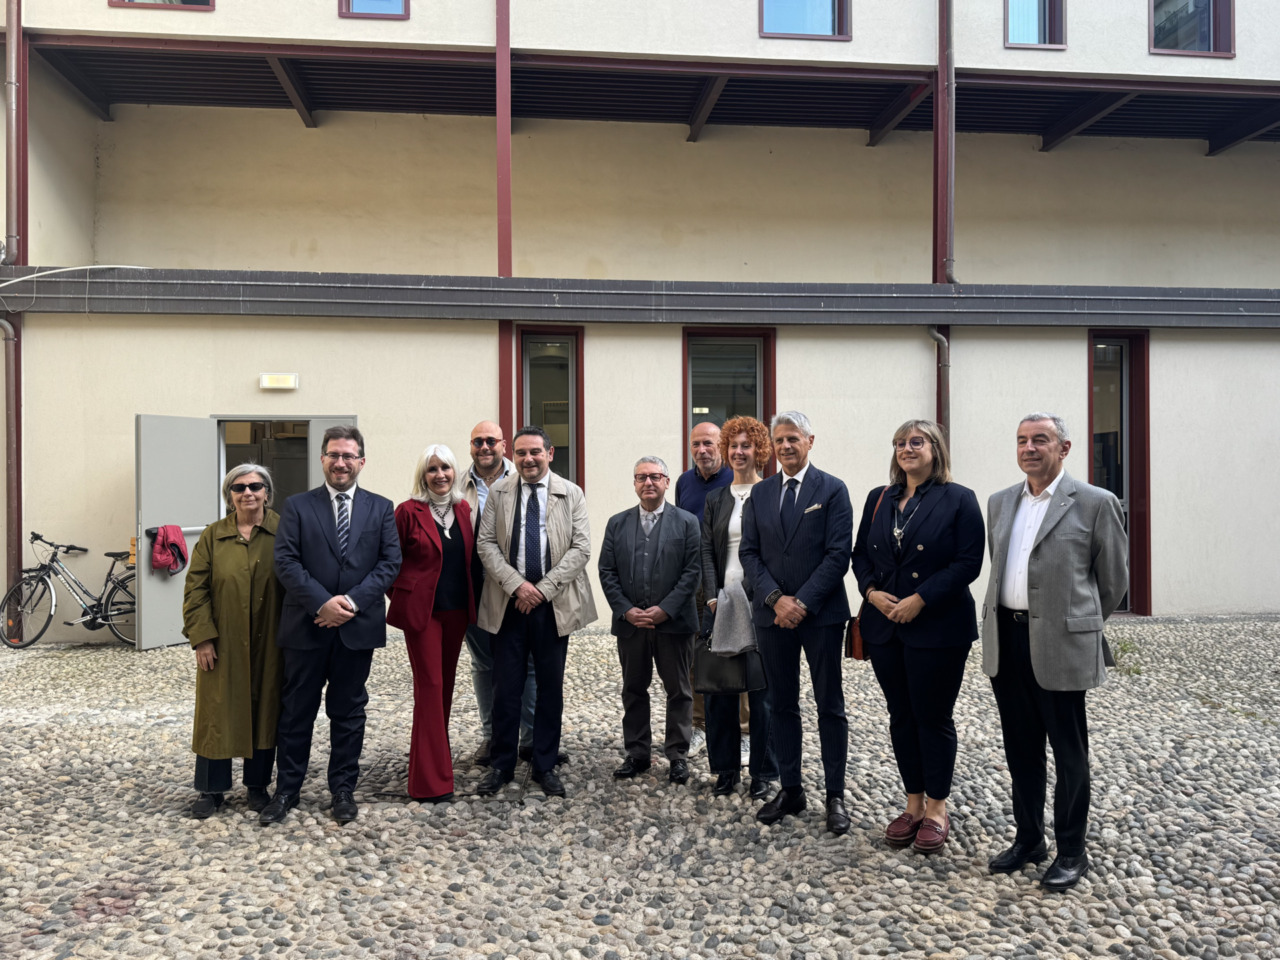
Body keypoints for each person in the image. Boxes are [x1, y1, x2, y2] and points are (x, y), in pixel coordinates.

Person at [982, 412, 1128, 891]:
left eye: (1040, 440)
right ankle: (1029, 839)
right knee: (1020, 749)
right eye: (1022, 440)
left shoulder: (1096, 503)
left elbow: (1113, 582)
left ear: (1063, 448)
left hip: (1061, 645)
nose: (1029, 448)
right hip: (1008, 641)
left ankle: (1071, 850)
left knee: (1069, 753)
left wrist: (1076, 624)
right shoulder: (1000, 502)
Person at [851, 419, 984, 853]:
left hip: (938, 625)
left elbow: (968, 562)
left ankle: (937, 809)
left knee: (933, 716)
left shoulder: (959, 498)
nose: (906, 449)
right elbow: (860, 555)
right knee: (901, 716)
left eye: (916, 442)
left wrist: (921, 598)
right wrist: (871, 592)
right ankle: (913, 803)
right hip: (885, 626)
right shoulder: (879, 498)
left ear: (935, 448)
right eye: (900, 444)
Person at [261, 425, 402, 825]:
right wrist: (322, 603)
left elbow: (389, 563)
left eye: (348, 456)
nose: (341, 463)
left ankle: (342, 789)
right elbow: (286, 561)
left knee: (348, 713)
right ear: (322, 459)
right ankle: (287, 790)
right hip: (306, 627)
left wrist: (350, 602)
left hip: (356, 629)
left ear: (361, 461)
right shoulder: (297, 506)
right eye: (334, 455)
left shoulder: (381, 508)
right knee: (296, 712)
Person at [739, 410, 853, 834]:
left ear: (810, 441)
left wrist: (801, 602)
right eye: (780, 440)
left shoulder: (833, 489)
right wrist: (775, 599)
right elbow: (749, 553)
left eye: (793, 438)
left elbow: (838, 555)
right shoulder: (760, 493)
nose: (786, 446)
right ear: (772, 446)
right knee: (781, 703)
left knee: (829, 705)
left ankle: (835, 795)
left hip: (820, 615)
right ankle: (791, 789)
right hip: (772, 616)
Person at [474, 426, 596, 798]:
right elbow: (486, 544)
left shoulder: (571, 493)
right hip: (508, 604)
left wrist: (541, 590)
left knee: (549, 688)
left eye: (535, 452)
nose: (528, 459)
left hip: (552, 606)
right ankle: (501, 765)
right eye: (522, 453)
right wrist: (517, 586)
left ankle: (544, 764)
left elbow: (581, 548)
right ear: (513, 455)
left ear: (550, 453)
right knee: (505, 688)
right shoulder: (499, 492)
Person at [183, 463, 284, 819]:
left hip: (271, 641)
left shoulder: (284, 531)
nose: (247, 493)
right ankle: (211, 789)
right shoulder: (213, 536)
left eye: (255, 486)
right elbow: (196, 589)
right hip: (222, 642)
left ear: (267, 493)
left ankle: (257, 786)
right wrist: (202, 638)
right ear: (230, 496)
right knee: (216, 710)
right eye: (238, 488)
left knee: (265, 709)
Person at [598, 456, 702, 785]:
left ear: (667, 482)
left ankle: (678, 755)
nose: (648, 482)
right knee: (633, 689)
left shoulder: (687, 522)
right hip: (631, 625)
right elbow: (607, 571)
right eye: (641, 477)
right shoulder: (617, 523)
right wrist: (626, 609)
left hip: (674, 624)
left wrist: (666, 609)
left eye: (655, 476)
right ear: (634, 483)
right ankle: (638, 752)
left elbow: (692, 572)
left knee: (679, 691)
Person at [387, 444, 475, 803]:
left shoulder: (463, 509)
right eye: (432, 469)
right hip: (423, 616)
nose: (440, 475)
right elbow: (389, 562)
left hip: (457, 612)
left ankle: (434, 761)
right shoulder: (407, 512)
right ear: (422, 475)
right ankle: (430, 783)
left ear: (455, 472)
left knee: (444, 688)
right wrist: (406, 597)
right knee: (430, 687)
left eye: (445, 468)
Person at [700, 416, 778, 800]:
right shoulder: (715, 499)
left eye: (747, 445)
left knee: (763, 694)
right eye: (733, 445)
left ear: (759, 450)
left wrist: (763, 594)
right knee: (720, 692)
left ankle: (763, 772)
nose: (739, 452)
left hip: (760, 603)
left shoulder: (771, 494)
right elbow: (705, 550)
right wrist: (712, 596)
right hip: (722, 603)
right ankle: (726, 770)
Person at [457, 420, 538, 767]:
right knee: (484, 664)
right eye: (478, 441)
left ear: (504, 445)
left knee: (528, 664)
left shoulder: (523, 477)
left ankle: (531, 739)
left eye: (491, 440)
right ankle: (492, 737)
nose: (485, 447)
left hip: (519, 588)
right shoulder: (457, 484)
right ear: (470, 446)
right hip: (473, 588)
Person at [674, 421, 733, 757]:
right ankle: (698, 724)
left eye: (708, 443)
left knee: (732, 652)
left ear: (721, 445)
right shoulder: (684, 482)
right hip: (692, 579)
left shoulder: (736, 478)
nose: (702, 450)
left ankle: (739, 728)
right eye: (696, 444)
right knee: (695, 654)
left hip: (727, 579)